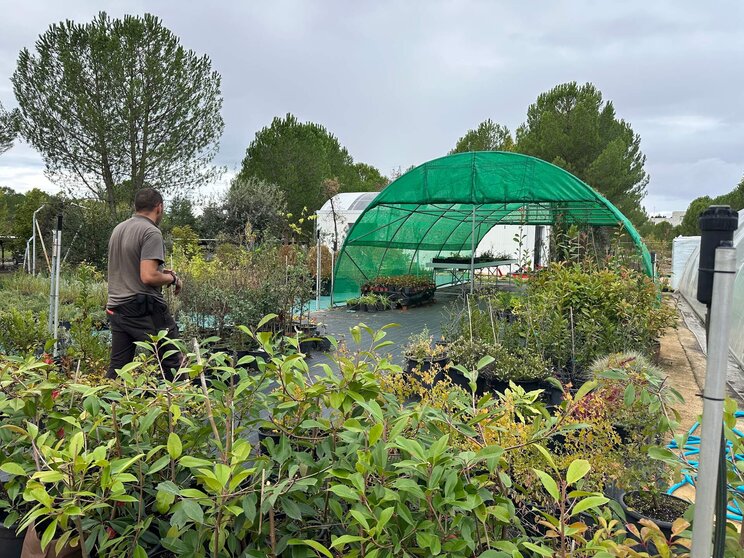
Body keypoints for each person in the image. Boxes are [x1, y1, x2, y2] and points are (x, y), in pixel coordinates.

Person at [106, 188, 183, 380]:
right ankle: (182, 406)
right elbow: (148, 277)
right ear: (159, 207)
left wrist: (161, 274)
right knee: (172, 361)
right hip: (143, 308)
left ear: (136, 207)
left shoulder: (119, 229)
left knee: (118, 369)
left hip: (117, 308)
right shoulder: (151, 232)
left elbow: (131, 267)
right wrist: (172, 279)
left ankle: (105, 407)